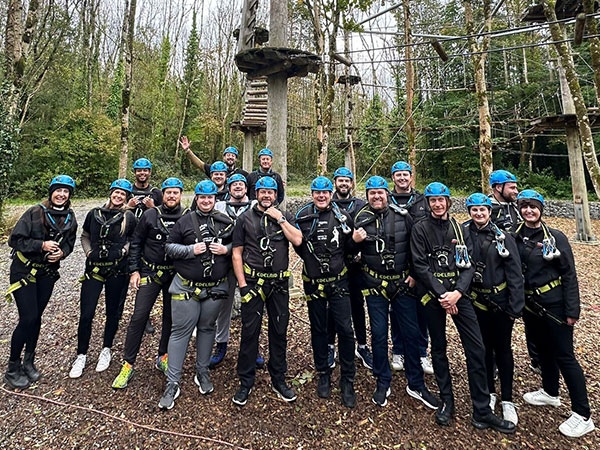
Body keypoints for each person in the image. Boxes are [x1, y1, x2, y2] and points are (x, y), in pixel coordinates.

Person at [410, 182, 514, 433]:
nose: (437, 204)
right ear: (428, 203)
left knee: (477, 349)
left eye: (441, 200)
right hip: (434, 296)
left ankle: (482, 409)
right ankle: (447, 401)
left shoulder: (461, 228)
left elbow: (468, 264)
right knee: (439, 349)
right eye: (432, 200)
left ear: (448, 202)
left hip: (459, 294)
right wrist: (442, 294)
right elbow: (420, 266)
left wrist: (457, 293)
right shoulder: (420, 229)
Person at [514, 190, 595, 438]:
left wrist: (572, 309)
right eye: (524, 206)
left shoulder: (556, 237)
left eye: (533, 207)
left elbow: (569, 274)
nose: (529, 210)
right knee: (543, 350)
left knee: (564, 356)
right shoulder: (515, 236)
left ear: (541, 209)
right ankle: (550, 392)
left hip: (555, 305)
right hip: (530, 306)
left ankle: (583, 415)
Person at [353, 176, 438, 409]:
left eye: (380, 193)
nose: (377, 197)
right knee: (379, 334)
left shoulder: (403, 216)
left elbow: (416, 246)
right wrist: (353, 240)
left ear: (386, 194)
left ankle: (416, 383)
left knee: (411, 333)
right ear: (367, 196)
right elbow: (348, 252)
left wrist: (414, 274)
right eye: (372, 193)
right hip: (375, 285)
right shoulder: (361, 218)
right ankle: (382, 381)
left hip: (402, 284)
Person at [158, 180, 234, 410]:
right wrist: (190, 250)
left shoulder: (226, 222)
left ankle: (202, 372)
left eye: (210, 198)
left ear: (215, 199)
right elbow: (169, 248)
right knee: (180, 332)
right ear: (196, 198)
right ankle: (172, 382)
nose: (206, 201)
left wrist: (226, 250)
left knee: (207, 328)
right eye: (202, 197)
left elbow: (239, 245)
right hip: (186, 286)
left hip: (215, 287)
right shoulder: (184, 221)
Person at [231, 176, 302, 406]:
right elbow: (237, 253)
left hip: (279, 285)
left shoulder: (284, 216)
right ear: (256, 193)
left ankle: (278, 378)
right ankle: (245, 381)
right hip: (253, 283)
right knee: (250, 332)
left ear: (276, 194)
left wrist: (280, 218)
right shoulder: (244, 219)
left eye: (270, 192)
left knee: (279, 331)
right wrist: (242, 285)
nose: (266, 195)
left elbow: (298, 240)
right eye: (262, 192)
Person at [111, 178, 188, 389]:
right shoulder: (150, 215)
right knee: (139, 317)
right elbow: (136, 243)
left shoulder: (186, 216)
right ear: (162, 194)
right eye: (168, 192)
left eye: (175, 192)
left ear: (181, 194)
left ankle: (163, 356)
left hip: (174, 275)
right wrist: (134, 271)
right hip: (150, 272)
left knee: (170, 318)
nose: (172, 196)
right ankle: (128, 363)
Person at [4, 176, 78, 389]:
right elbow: (15, 240)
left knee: (37, 317)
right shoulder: (34, 213)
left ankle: (28, 361)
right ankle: (12, 367)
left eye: (66, 191)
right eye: (58, 191)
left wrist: (62, 253)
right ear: (51, 192)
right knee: (27, 318)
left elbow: (71, 242)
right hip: (24, 270)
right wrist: (41, 245)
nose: (62, 194)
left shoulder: (70, 216)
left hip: (46, 273)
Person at [295, 176, 357, 408]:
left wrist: (357, 242)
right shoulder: (302, 216)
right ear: (312, 194)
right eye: (317, 193)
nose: (321, 196)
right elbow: (299, 247)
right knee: (319, 329)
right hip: (314, 283)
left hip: (339, 282)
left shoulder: (342, 216)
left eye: (325, 193)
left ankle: (347, 379)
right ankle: (323, 372)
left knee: (345, 329)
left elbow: (349, 247)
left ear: (331, 194)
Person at [463, 193, 524, 425]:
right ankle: (489, 392)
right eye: (474, 210)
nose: (479, 214)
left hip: (500, 302)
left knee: (503, 349)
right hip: (477, 301)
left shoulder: (502, 237)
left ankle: (507, 398)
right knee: (483, 349)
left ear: (490, 211)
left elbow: (515, 272)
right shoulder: (464, 233)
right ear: (469, 211)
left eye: (483, 210)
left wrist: (514, 306)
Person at [69, 179, 137, 378]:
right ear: (110, 193)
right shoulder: (94, 214)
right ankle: (81, 354)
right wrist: (89, 253)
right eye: (116, 192)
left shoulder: (128, 217)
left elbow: (134, 239)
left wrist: (123, 252)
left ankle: (106, 348)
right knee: (86, 313)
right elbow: (85, 236)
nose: (118, 196)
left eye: (122, 194)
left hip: (117, 270)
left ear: (127, 198)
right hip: (94, 269)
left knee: (113, 312)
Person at [488, 169, 540, 374]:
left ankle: (536, 358)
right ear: (497, 188)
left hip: (523, 271)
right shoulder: (488, 209)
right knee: (497, 321)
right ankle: (492, 362)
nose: (516, 191)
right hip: (500, 272)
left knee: (531, 315)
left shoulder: (517, 208)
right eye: (512, 187)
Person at [388, 161, 433, 375]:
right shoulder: (386, 200)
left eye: (406, 175)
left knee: (422, 311)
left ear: (411, 177)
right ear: (393, 178)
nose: (402, 178)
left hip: (420, 264)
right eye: (398, 175)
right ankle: (398, 350)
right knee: (397, 310)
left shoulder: (422, 200)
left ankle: (422, 352)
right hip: (396, 262)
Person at [327, 167, 373, 371]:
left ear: (352, 183)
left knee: (357, 305)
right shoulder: (328, 204)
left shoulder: (361, 205)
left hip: (356, 265)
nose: (344, 183)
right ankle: (330, 345)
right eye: (340, 180)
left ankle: (361, 345)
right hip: (335, 265)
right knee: (333, 307)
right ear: (335, 182)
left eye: (347, 180)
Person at [210, 174, 256, 369]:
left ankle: (254, 348)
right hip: (224, 262)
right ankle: (221, 344)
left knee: (253, 306)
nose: (238, 187)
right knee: (223, 305)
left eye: (241, 184)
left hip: (250, 262)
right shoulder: (219, 206)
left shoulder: (255, 205)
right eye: (234, 184)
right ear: (228, 188)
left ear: (246, 188)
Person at [128, 157, 163, 335]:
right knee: (130, 275)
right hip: (129, 238)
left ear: (149, 172)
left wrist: (154, 206)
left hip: (148, 239)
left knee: (145, 278)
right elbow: (113, 208)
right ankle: (132, 314)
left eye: (146, 170)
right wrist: (128, 206)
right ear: (135, 172)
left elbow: (164, 214)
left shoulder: (156, 192)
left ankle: (146, 316)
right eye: (139, 170)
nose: (142, 173)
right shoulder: (128, 190)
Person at [181, 136, 248, 178]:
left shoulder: (241, 173)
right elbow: (200, 165)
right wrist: (188, 151)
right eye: (228, 155)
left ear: (236, 159)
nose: (230, 157)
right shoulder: (215, 169)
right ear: (224, 157)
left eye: (233, 156)